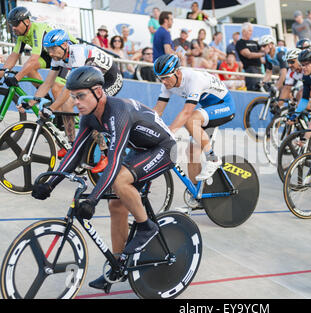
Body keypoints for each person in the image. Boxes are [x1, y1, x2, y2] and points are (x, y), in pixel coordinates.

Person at [31, 65, 177, 291]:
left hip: (164, 148)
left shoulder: (117, 112)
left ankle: (146, 227)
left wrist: (92, 199)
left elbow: (115, 160)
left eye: (80, 96)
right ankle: (118, 266)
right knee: (116, 205)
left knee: (119, 181)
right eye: (73, 96)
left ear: (98, 91)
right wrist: (50, 183)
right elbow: (75, 152)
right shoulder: (90, 115)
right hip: (141, 149)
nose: (75, 102)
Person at [22, 29, 124, 173]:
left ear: (64, 45)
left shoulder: (77, 54)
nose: (50, 53)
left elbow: (69, 89)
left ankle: (105, 154)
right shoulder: (57, 57)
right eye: (48, 49)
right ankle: (71, 145)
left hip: (110, 79)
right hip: (92, 77)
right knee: (66, 104)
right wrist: (33, 101)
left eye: (53, 48)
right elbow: (48, 83)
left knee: (89, 114)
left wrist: (51, 108)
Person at [153, 54, 236, 184]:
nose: (163, 82)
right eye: (160, 78)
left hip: (225, 106)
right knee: (191, 153)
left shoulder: (194, 79)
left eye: (165, 78)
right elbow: (158, 111)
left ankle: (213, 158)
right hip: (208, 109)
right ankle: (196, 197)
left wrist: (170, 132)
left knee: (190, 120)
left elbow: (186, 112)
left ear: (178, 72)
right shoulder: (168, 84)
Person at [0, 7, 72, 96]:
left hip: (65, 54)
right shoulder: (21, 35)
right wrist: (2, 72)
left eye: (16, 24)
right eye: (11, 25)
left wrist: (16, 78)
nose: (13, 28)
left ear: (26, 22)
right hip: (50, 56)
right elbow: (14, 56)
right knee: (29, 69)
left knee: (56, 89)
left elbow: (33, 59)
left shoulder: (37, 28)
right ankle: (45, 99)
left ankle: (57, 109)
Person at [236, 22, 264, 91]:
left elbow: (263, 50)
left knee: (262, 89)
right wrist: (263, 53)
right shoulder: (240, 43)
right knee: (253, 89)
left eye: (251, 31)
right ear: (243, 31)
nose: (251, 32)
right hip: (250, 69)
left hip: (260, 68)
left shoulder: (255, 42)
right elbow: (249, 55)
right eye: (249, 30)